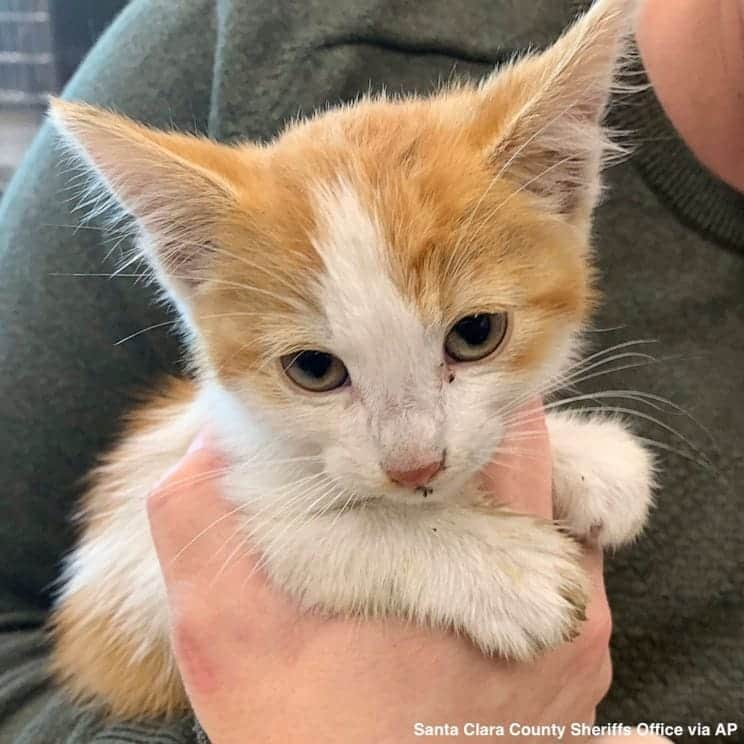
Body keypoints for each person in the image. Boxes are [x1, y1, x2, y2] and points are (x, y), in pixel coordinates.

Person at [0, 0, 741, 742]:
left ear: (563, 186)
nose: (413, 456)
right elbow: (286, 545)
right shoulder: (250, 39)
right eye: (317, 368)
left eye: (473, 334)